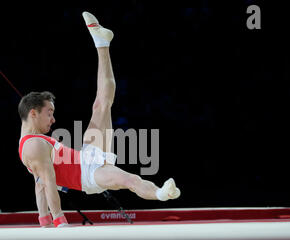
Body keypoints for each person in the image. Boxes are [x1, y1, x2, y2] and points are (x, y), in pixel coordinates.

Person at [18, 12, 180, 227]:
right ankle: (161, 193)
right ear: (33, 113)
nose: (54, 119)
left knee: (101, 103)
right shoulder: (32, 146)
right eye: (50, 113)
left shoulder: (33, 144)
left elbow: (39, 185)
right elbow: (47, 184)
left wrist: (44, 220)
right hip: (90, 174)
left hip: (87, 155)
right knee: (129, 180)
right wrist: (59, 222)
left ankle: (101, 43)